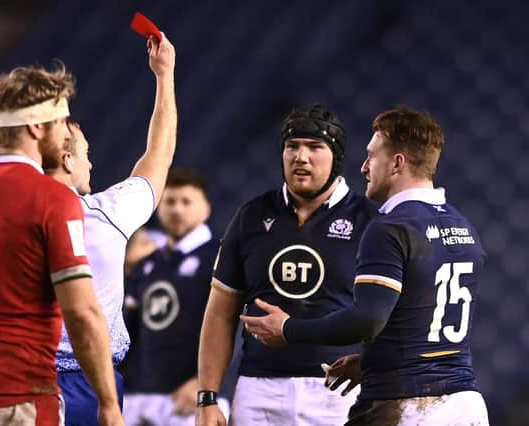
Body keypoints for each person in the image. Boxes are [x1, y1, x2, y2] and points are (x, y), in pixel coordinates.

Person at [241, 106, 489, 425]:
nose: (364, 168)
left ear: (397, 162)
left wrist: (289, 329)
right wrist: (372, 363)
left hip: (407, 406)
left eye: (372, 156)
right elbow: (423, 325)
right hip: (465, 406)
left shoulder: (390, 227)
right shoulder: (462, 226)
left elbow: (367, 320)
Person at [0, 64, 123, 425]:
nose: (67, 134)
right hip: (19, 393)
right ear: (37, 126)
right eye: (62, 123)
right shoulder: (52, 198)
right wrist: (109, 405)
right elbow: (82, 313)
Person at [197, 105, 377, 426]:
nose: (300, 157)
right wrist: (208, 397)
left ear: (336, 157)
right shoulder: (250, 215)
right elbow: (220, 313)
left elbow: (392, 314)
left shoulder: (371, 221)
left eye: (314, 147)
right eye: (292, 146)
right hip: (258, 391)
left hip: (339, 391)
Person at [44, 33, 177, 426]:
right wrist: (165, 76)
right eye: (85, 154)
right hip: (91, 384)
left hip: (26, 379)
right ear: (67, 159)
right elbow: (160, 154)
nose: (91, 164)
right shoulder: (107, 214)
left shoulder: (12, 218)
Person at [121, 168, 230, 426]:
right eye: (170, 201)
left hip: (195, 399)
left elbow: (235, 327)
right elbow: (129, 333)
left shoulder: (222, 260)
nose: (177, 209)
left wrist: (206, 385)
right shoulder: (147, 265)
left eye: (186, 202)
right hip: (139, 397)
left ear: (206, 209)